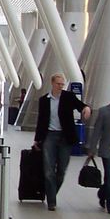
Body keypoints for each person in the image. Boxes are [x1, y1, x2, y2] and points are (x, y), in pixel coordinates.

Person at [34, 73, 91, 211]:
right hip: (49, 136)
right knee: (48, 170)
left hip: (65, 137)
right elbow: (41, 121)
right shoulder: (44, 100)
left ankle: (51, 193)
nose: (60, 86)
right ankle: (52, 201)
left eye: (62, 84)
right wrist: (37, 139)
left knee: (61, 171)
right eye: (58, 84)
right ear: (52, 83)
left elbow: (80, 105)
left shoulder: (68, 97)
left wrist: (86, 109)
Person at [86, 85, 110, 214]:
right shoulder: (104, 111)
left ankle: (103, 193)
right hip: (107, 150)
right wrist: (92, 149)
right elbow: (97, 131)